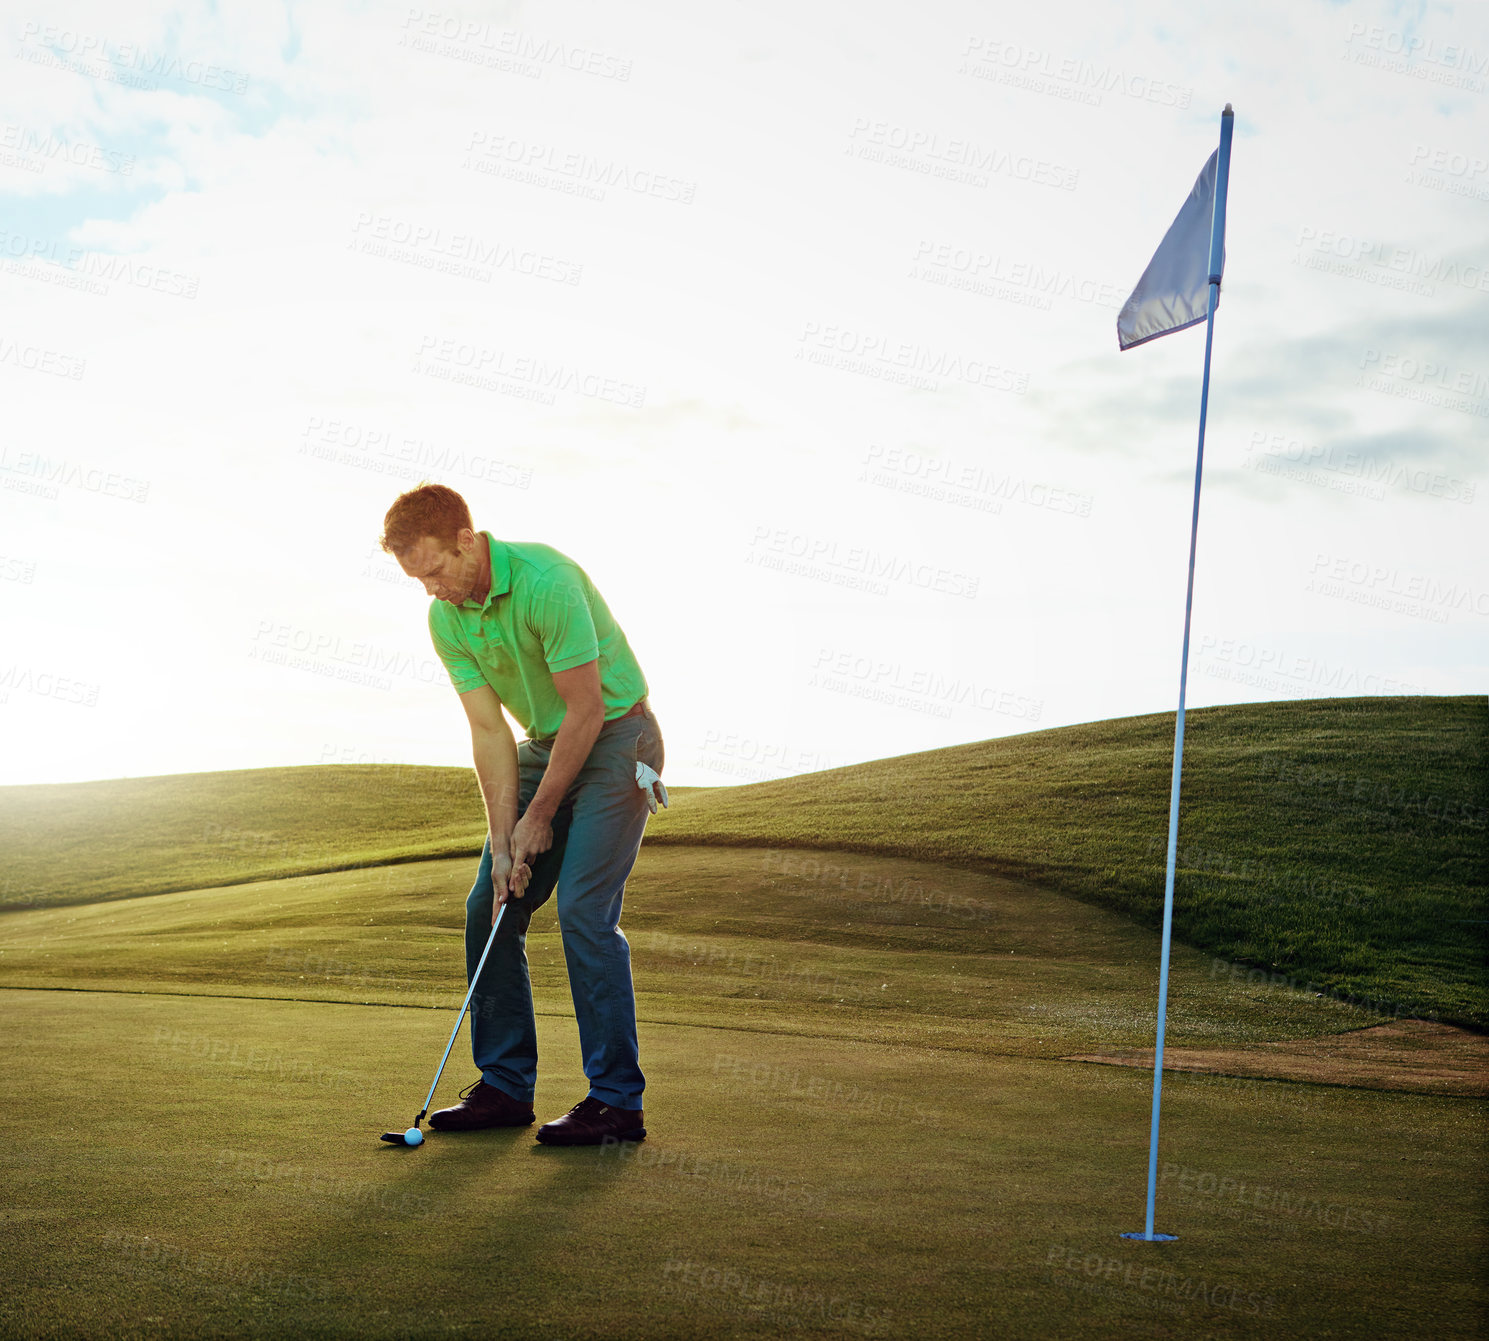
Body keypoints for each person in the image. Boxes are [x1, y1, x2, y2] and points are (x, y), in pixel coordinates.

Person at [379, 482, 665, 1145]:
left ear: (465, 541)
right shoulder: (446, 618)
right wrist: (503, 839)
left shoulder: (546, 581)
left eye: (436, 570)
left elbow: (588, 709)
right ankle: (505, 1086)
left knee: (582, 911)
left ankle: (617, 1103)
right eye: (416, 580)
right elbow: (488, 733)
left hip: (619, 736)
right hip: (544, 745)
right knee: (491, 902)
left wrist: (538, 818)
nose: (431, 590)